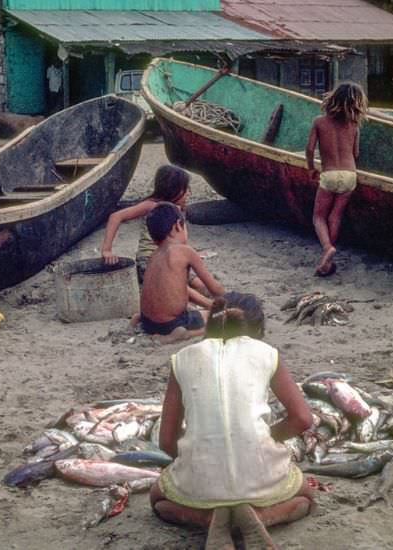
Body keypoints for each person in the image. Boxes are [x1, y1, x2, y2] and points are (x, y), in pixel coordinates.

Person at [150, 293, 315, 550]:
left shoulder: (182, 358)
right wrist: (269, 438)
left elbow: (166, 440)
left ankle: (210, 518)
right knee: (304, 497)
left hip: (201, 481)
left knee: (159, 500)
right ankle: (259, 516)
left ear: (211, 323)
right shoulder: (267, 353)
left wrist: (193, 460)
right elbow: (303, 419)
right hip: (261, 475)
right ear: (258, 330)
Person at [100, 164, 210, 305]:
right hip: (150, 261)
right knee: (177, 288)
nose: (188, 193)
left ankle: (211, 303)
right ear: (172, 189)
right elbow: (116, 216)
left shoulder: (179, 209)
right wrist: (107, 250)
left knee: (200, 285)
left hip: (174, 260)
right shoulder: (153, 206)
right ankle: (208, 306)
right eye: (185, 189)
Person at [306, 82, 368, 276]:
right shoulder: (355, 125)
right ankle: (328, 260)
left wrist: (311, 168)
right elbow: (355, 153)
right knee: (335, 216)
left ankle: (327, 248)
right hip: (350, 175)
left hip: (329, 174)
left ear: (333, 99)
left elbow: (309, 149)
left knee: (318, 217)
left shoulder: (319, 121)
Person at [139, 202, 225, 343]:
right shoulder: (185, 251)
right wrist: (224, 298)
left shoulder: (154, 255)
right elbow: (215, 289)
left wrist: (208, 303)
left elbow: (175, 289)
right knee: (222, 316)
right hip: (172, 325)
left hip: (148, 322)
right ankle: (186, 334)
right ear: (178, 225)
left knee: (190, 307)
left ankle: (139, 319)